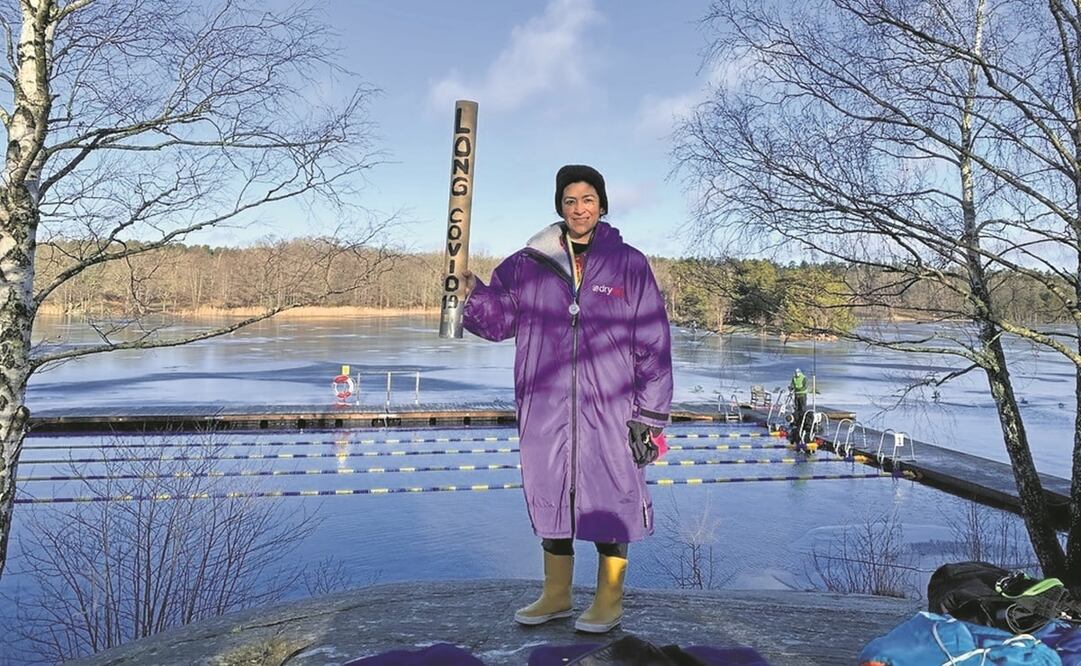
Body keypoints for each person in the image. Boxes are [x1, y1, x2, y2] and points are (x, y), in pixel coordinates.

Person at [461, 164, 673, 634]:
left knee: (611, 499)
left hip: (613, 407)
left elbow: (654, 343)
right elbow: (498, 323)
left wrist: (650, 415)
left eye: (588, 199)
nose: (579, 208)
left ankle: (608, 600)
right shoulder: (527, 263)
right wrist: (469, 292)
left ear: (602, 204)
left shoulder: (628, 264)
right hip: (546, 404)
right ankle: (556, 595)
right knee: (551, 492)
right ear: (560, 205)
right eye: (570, 200)